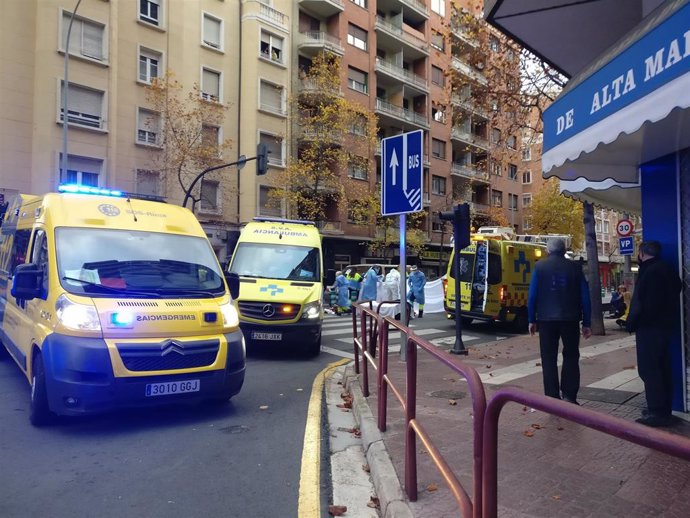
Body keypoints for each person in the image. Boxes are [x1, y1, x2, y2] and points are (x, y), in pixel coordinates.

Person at [528, 237, 592, 404]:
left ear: (548, 251)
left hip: (546, 319)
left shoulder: (540, 267)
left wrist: (531, 319)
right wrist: (587, 323)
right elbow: (585, 296)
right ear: (564, 251)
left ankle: (551, 396)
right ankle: (570, 396)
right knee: (571, 356)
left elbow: (532, 295)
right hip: (570, 319)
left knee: (548, 358)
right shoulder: (575, 268)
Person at [626, 241, 682, 427]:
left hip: (649, 328)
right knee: (662, 367)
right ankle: (664, 409)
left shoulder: (648, 272)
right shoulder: (667, 269)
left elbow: (641, 303)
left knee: (649, 369)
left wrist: (632, 323)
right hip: (666, 327)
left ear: (641, 253)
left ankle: (656, 412)